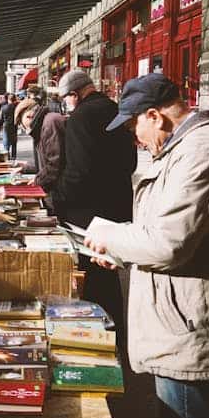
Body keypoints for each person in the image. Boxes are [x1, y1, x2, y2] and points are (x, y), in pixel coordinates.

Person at [84, 73, 209, 418]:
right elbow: (159, 233)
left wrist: (111, 237)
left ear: (155, 115)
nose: (135, 138)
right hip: (174, 315)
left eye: (135, 127)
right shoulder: (183, 149)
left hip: (185, 325)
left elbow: (169, 243)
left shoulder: (203, 150)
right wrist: (121, 249)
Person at [56, 70, 137, 341]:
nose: (65, 104)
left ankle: (101, 336)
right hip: (116, 205)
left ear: (74, 95)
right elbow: (130, 162)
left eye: (65, 98)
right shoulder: (114, 109)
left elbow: (78, 172)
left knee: (91, 275)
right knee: (108, 272)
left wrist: (57, 198)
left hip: (88, 212)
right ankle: (117, 332)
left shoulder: (81, 117)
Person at [14, 97, 67, 211]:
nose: (22, 128)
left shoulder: (49, 123)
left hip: (63, 192)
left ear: (28, 116)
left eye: (20, 123)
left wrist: (38, 181)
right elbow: (47, 160)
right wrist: (27, 168)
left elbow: (55, 163)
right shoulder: (43, 124)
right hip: (59, 190)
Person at [0, 93, 18, 160]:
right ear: (14, 99)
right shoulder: (17, 107)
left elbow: (0, 119)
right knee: (14, 143)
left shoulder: (4, 108)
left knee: (6, 143)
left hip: (6, 126)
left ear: (8, 99)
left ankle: (7, 157)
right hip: (14, 126)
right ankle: (13, 157)